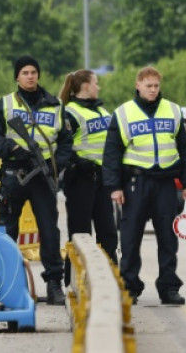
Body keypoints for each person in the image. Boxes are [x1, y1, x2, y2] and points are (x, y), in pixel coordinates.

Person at [102, 66, 186, 305]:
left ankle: (168, 287)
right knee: (131, 237)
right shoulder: (124, 113)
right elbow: (112, 152)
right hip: (136, 182)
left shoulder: (173, 110)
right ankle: (130, 286)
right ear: (138, 85)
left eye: (156, 86)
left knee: (168, 238)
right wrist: (114, 187)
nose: (153, 90)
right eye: (149, 86)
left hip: (165, 182)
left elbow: (185, 150)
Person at [0, 55, 72, 306]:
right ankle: (9, 283)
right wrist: (12, 149)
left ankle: (54, 284)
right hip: (14, 175)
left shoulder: (55, 105)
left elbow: (65, 143)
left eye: (34, 72)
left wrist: (56, 165)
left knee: (49, 230)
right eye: (25, 72)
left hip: (42, 176)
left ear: (39, 75)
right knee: (8, 231)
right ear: (17, 77)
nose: (30, 76)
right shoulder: (5, 104)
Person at [58, 69, 118, 285]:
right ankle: (74, 281)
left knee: (108, 233)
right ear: (85, 86)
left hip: (102, 179)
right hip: (80, 179)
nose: (98, 87)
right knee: (80, 233)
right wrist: (77, 161)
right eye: (96, 83)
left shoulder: (102, 111)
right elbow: (62, 145)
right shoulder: (69, 112)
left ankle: (111, 281)